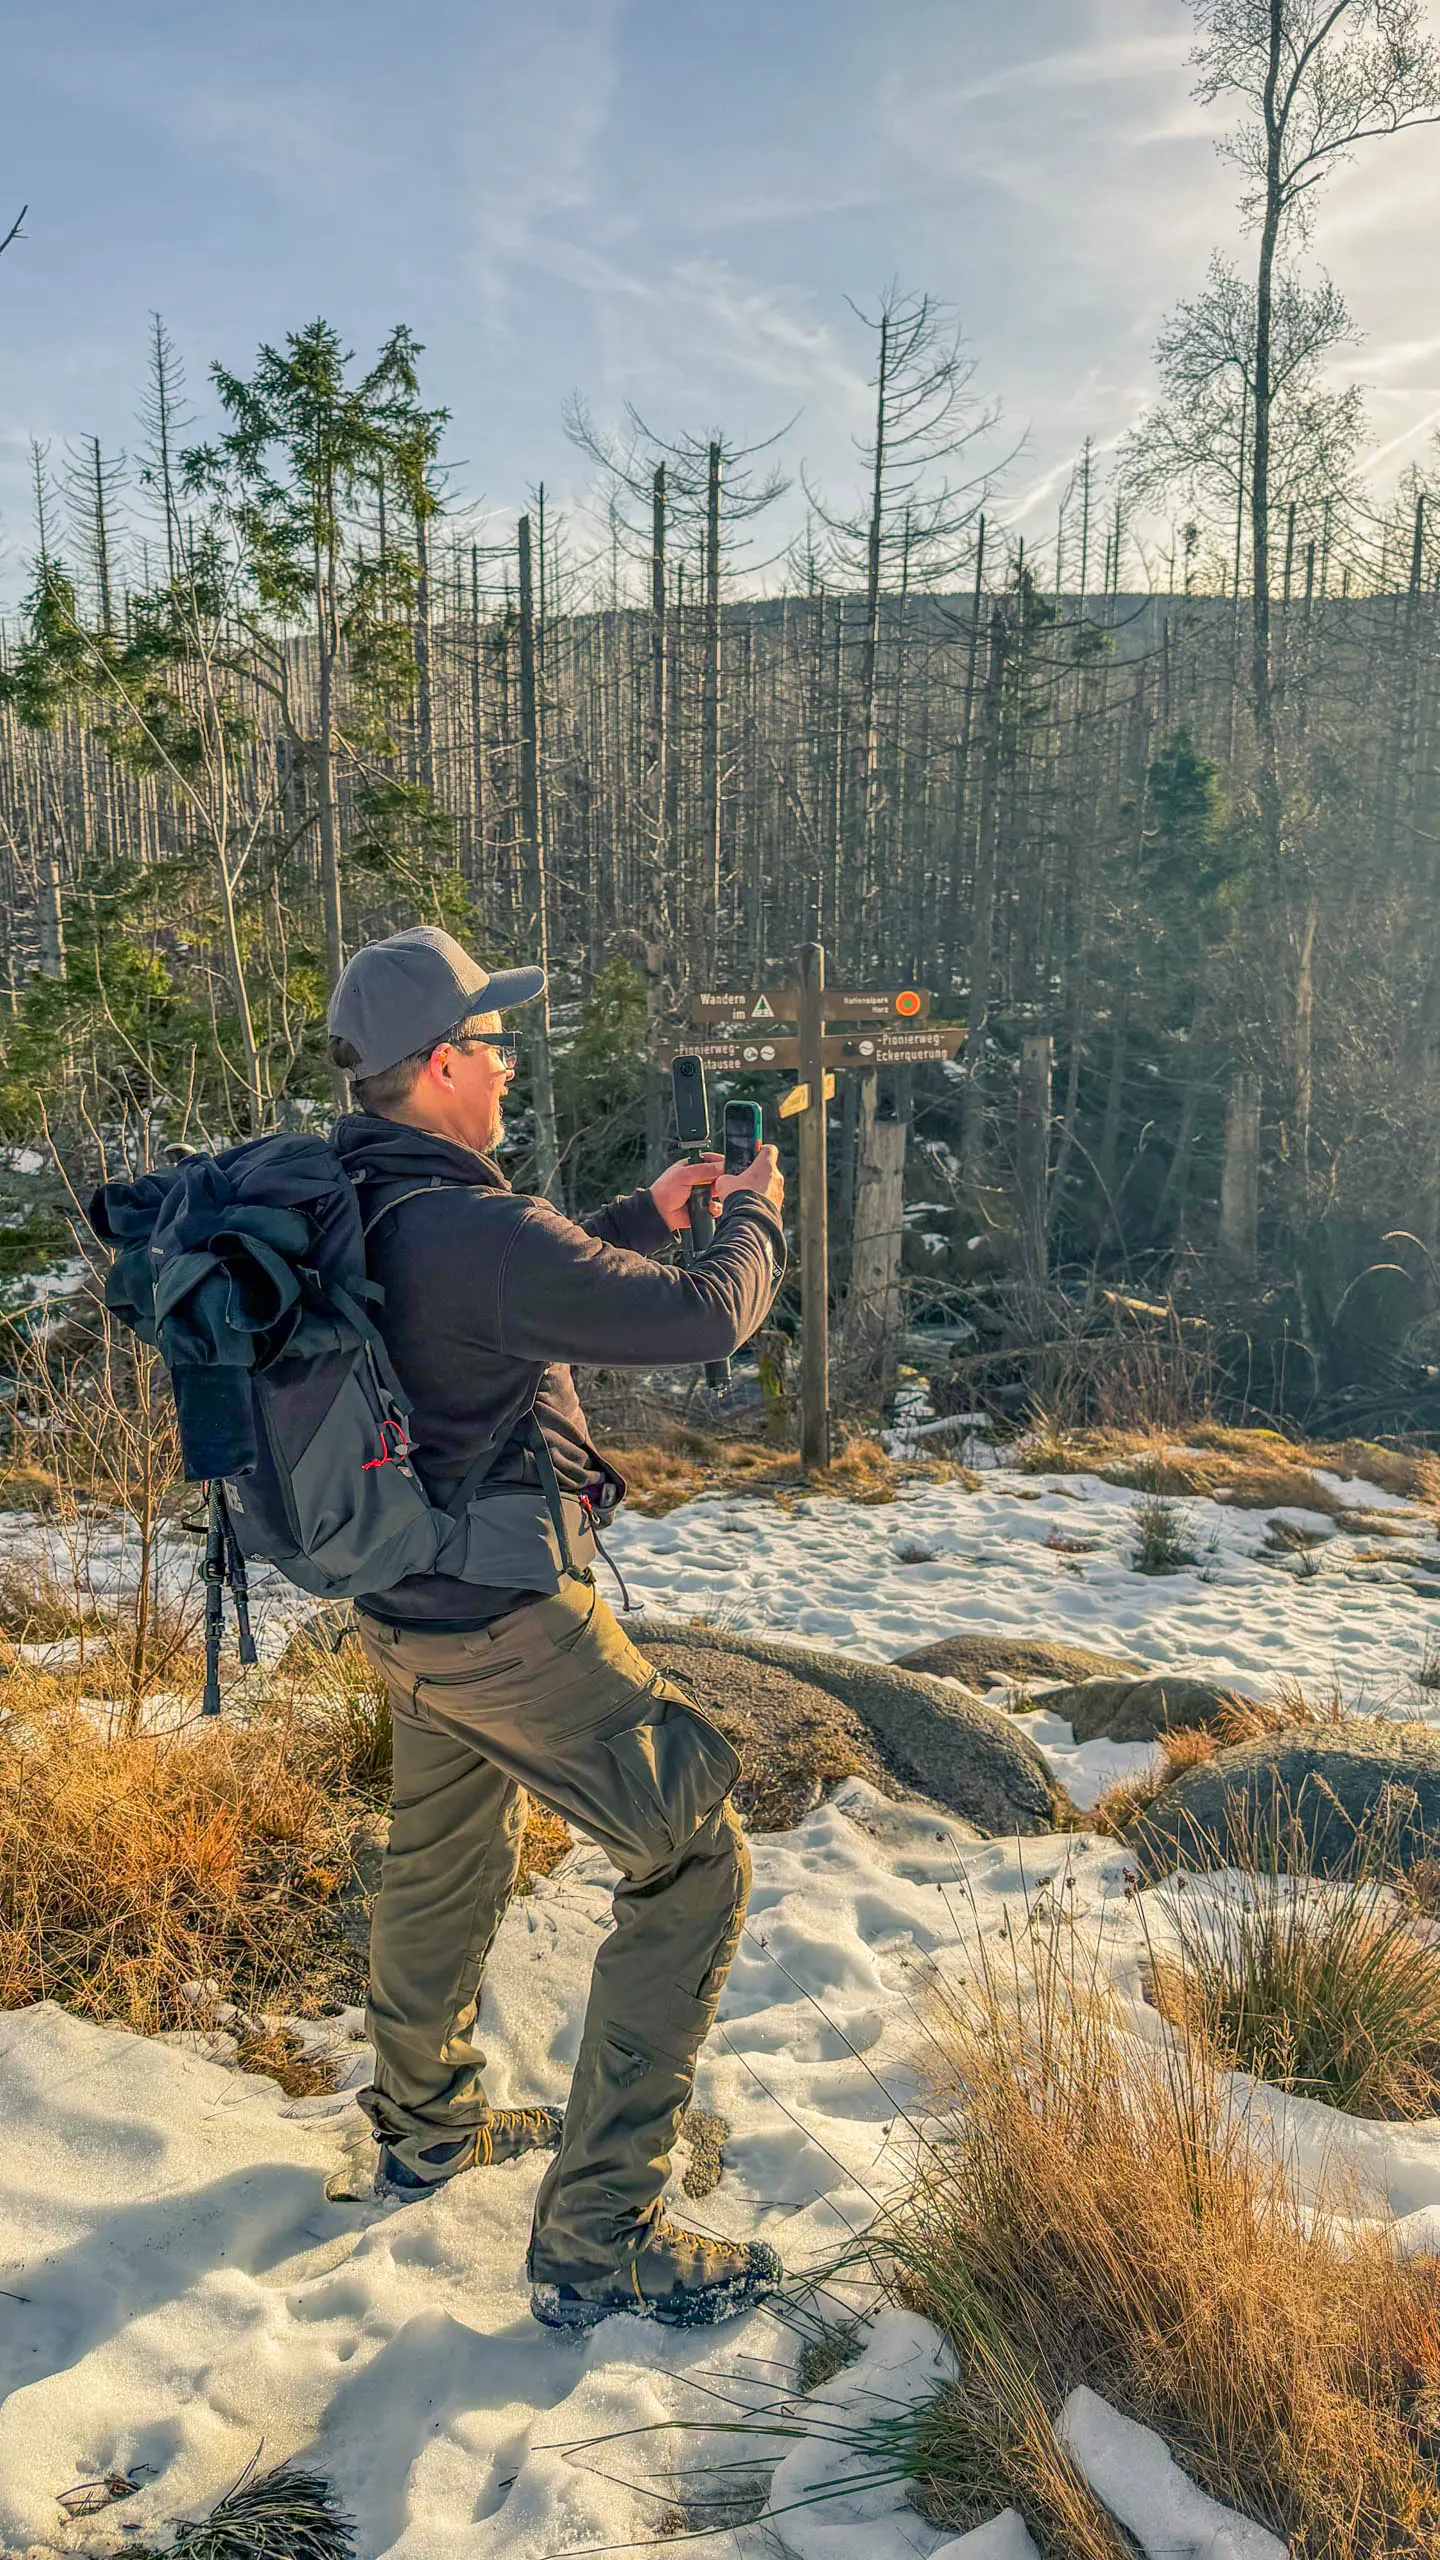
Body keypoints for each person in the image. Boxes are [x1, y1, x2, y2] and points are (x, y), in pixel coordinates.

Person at [325, 925, 787, 2330]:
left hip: (400, 1602)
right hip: (507, 1620)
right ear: (449, 1063)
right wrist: (753, 1214)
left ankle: (424, 2128)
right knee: (694, 1860)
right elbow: (708, 1322)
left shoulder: (359, 1192)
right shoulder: (475, 1225)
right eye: (497, 1039)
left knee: (442, 1855)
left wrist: (640, 1211)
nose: (512, 1061)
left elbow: (506, 1296)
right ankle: (603, 2242)